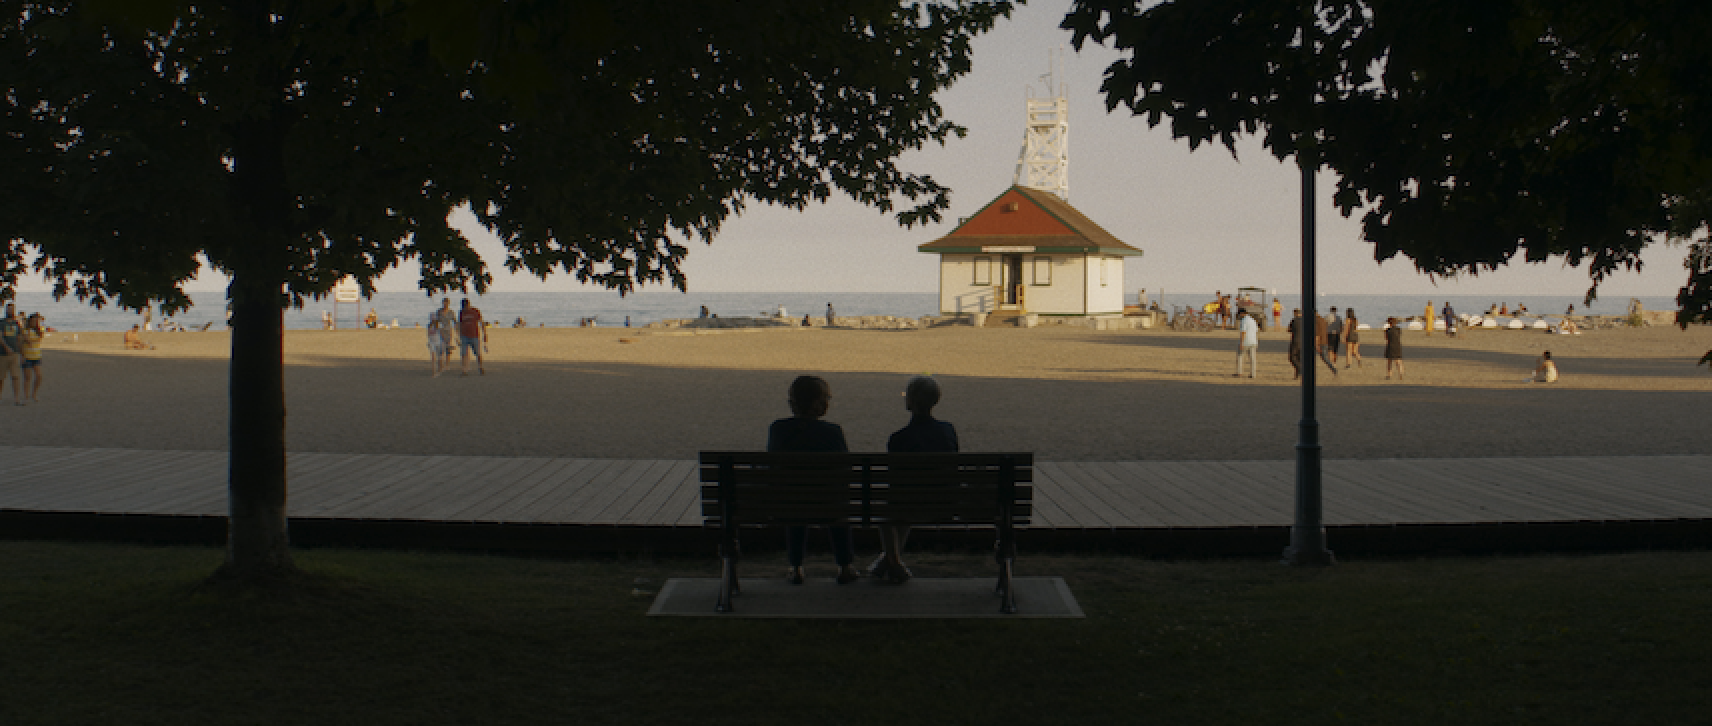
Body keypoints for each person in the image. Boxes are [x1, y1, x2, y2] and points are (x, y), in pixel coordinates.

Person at [768, 375, 859, 585]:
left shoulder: (778, 429)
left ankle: (796, 566)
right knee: (837, 504)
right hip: (827, 504)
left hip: (788, 504)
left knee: (795, 500)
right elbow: (845, 469)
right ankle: (845, 566)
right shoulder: (832, 432)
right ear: (819, 404)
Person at [870, 376, 959, 583]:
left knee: (893, 503)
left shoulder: (899, 438)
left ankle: (892, 561)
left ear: (909, 401)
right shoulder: (947, 430)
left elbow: (896, 482)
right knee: (907, 499)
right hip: (945, 504)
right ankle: (892, 560)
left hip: (909, 504)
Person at [457, 298, 486, 376]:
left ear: (468, 305)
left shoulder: (475, 311)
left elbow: (481, 322)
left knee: (477, 353)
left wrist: (484, 333)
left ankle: (480, 367)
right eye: (463, 307)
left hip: (474, 335)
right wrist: (458, 335)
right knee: (463, 354)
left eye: (466, 306)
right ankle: (464, 370)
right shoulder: (461, 312)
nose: (465, 308)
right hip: (464, 336)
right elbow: (460, 324)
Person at [20, 313, 44, 403]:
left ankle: (34, 394)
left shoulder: (38, 330)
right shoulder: (25, 330)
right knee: (27, 377)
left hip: (37, 356)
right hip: (27, 356)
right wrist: (22, 356)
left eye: (36, 321)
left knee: (39, 376)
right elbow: (24, 341)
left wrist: (40, 322)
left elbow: (40, 337)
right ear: (29, 321)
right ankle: (26, 397)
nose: (34, 322)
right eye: (33, 320)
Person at [0, 304, 21, 405]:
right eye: (8, 309)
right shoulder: (1, 323)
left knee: (15, 376)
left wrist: (21, 352)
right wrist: (6, 347)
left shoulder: (16, 323)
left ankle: (16, 399)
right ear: (6, 311)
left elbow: (19, 337)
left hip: (14, 354)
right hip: (2, 354)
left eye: (12, 309)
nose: (10, 311)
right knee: (1, 377)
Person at [1234, 309, 1259, 378]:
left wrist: (1241, 343)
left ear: (1242, 314)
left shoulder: (1244, 320)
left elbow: (1243, 332)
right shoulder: (1253, 320)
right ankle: (1253, 374)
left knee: (1240, 356)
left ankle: (1239, 372)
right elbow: (1256, 331)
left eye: (1239, 314)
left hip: (1246, 341)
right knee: (1252, 358)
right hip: (1253, 341)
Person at [435, 298, 457, 370]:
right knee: (441, 348)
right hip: (441, 330)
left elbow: (454, 321)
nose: (445, 304)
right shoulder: (439, 311)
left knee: (448, 348)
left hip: (448, 330)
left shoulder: (451, 312)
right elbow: (436, 322)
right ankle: (440, 365)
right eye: (444, 302)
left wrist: (456, 330)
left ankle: (447, 365)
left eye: (446, 303)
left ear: (448, 303)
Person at [426, 310, 446, 377]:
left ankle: (440, 369)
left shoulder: (438, 325)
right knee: (433, 358)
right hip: (432, 342)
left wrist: (443, 341)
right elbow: (428, 334)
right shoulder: (429, 325)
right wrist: (428, 342)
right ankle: (434, 372)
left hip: (438, 342)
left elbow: (442, 334)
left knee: (439, 356)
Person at [1286, 308, 1303, 379]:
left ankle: (1300, 369)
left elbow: (1289, 329)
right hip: (1303, 342)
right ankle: (1297, 374)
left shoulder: (1294, 320)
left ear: (1295, 313)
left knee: (1292, 358)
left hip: (1295, 341)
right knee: (1299, 358)